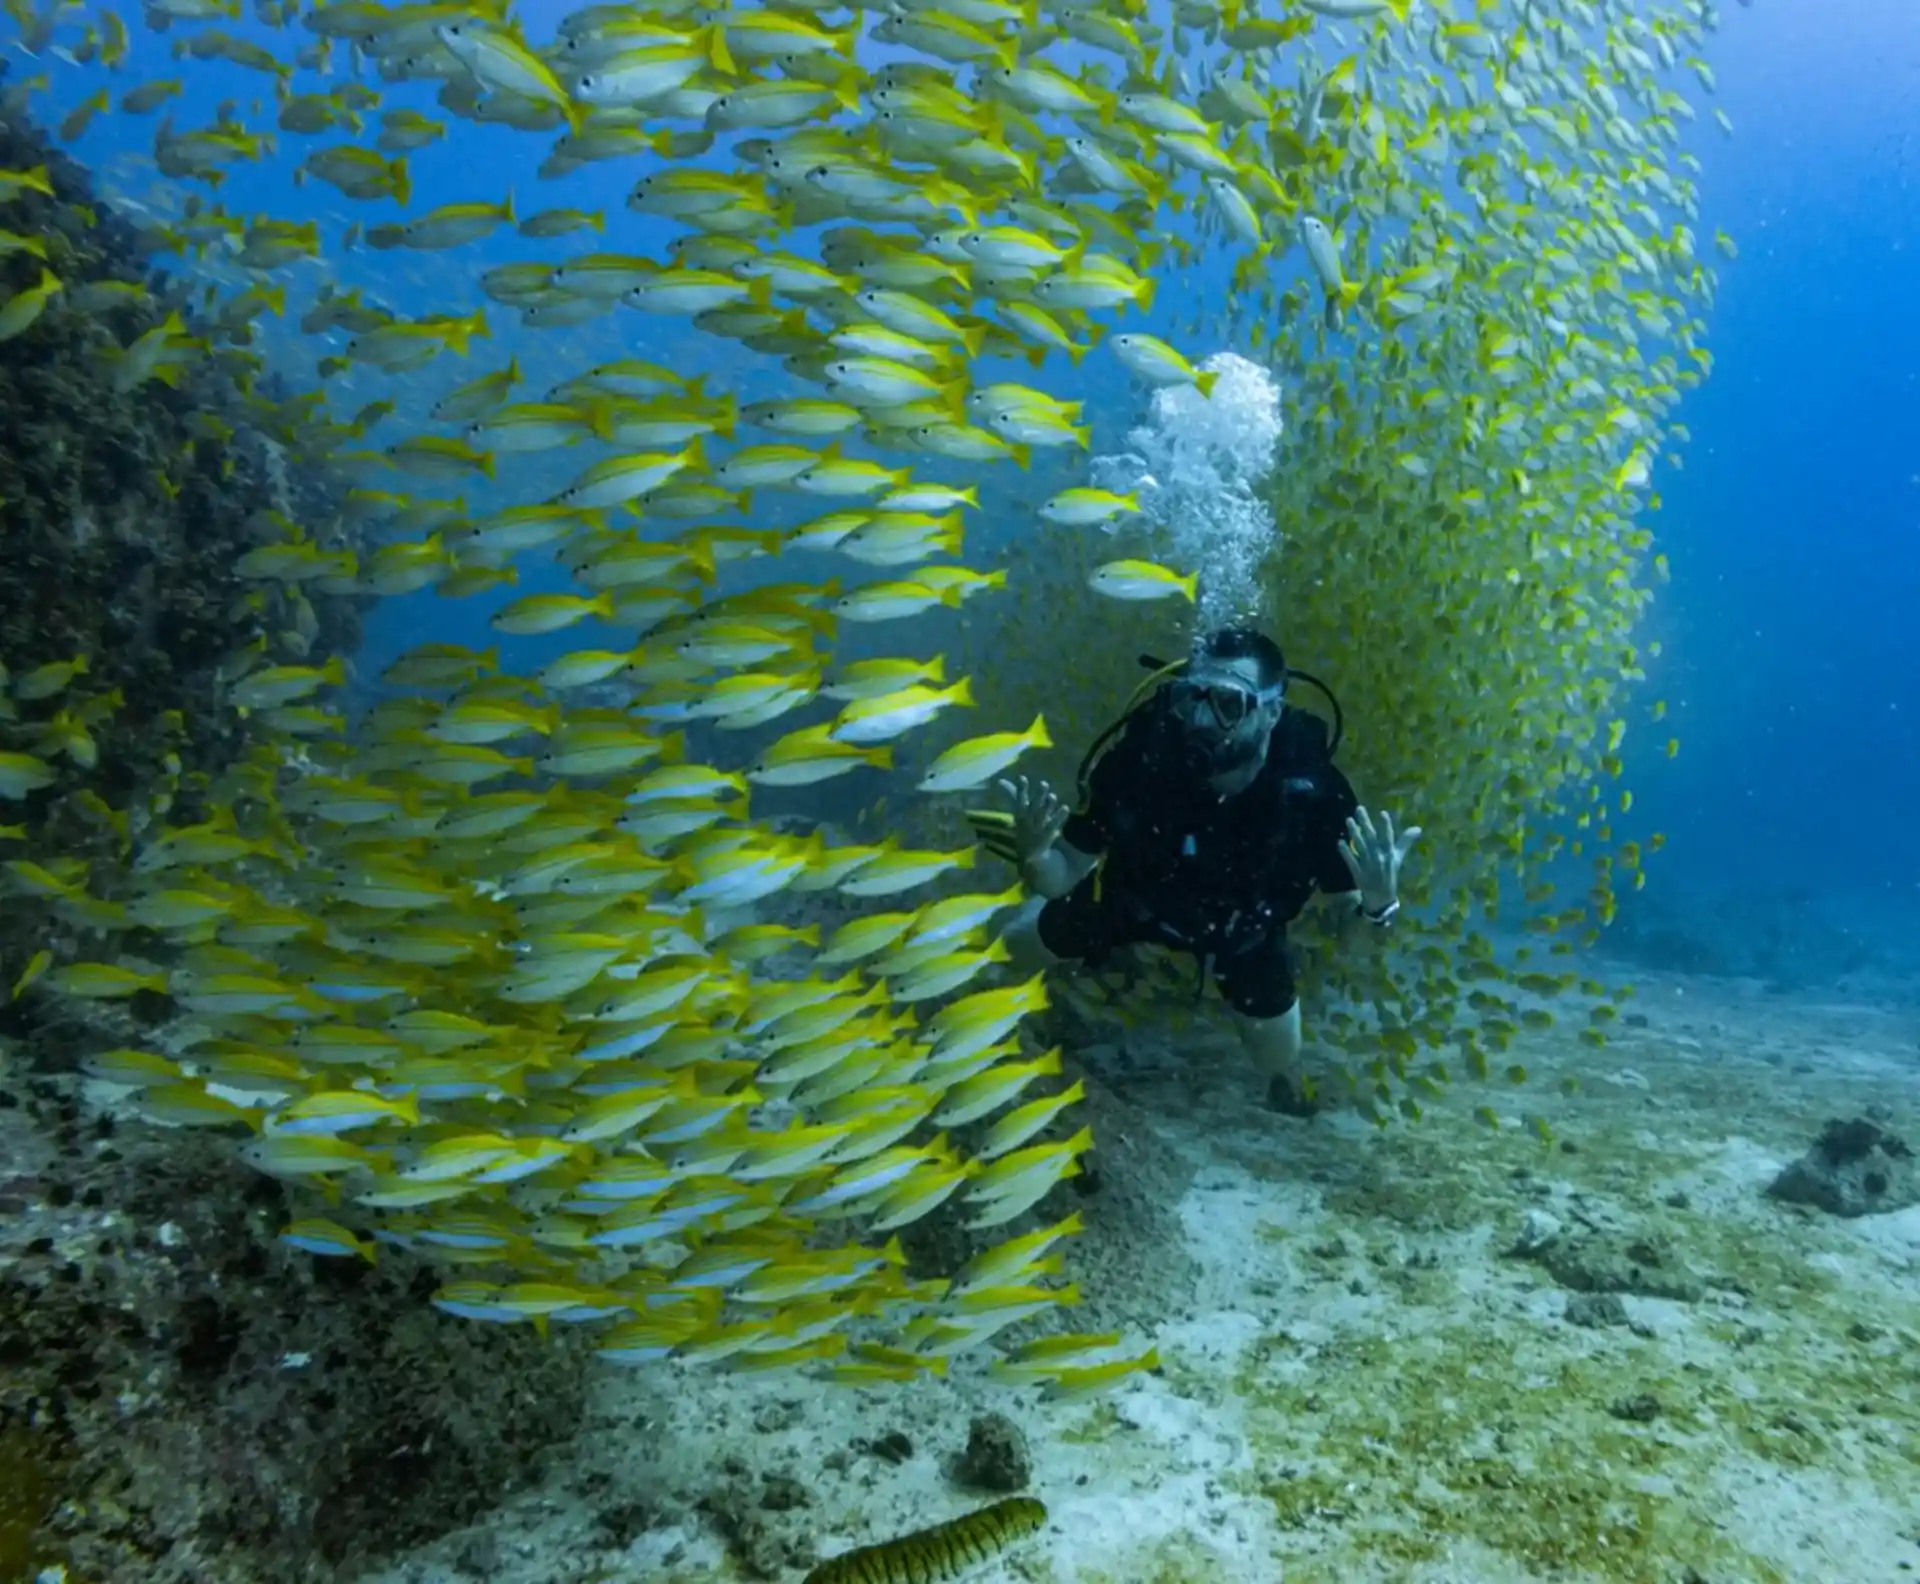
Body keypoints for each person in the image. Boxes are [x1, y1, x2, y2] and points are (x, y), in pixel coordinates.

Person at [967, 626, 1421, 1113]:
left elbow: (1350, 933)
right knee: (1007, 946)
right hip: (1132, 898)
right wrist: (1035, 858)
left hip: (1245, 932)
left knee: (1279, 1058)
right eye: (1191, 698)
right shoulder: (1141, 758)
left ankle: (1288, 1081)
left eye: (1229, 703)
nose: (1203, 720)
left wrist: (1378, 907)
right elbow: (1064, 872)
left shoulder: (1313, 792)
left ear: (1271, 711)